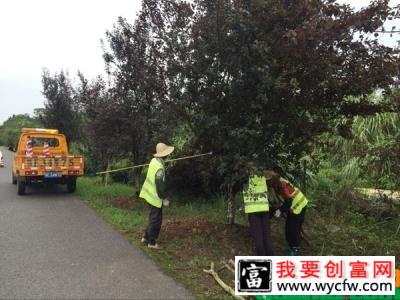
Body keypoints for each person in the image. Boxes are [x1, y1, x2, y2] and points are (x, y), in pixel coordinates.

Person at [139, 142, 174, 250]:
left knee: (152, 218)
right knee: (156, 220)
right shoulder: (159, 168)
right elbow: (160, 185)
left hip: (148, 194)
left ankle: (145, 237)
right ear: (165, 155)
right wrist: (164, 199)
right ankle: (152, 242)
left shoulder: (153, 161)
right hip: (155, 197)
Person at [266, 171, 308, 256]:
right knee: (289, 228)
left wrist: (280, 210)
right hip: (294, 206)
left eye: (268, 181)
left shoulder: (281, 185)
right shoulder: (277, 184)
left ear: (272, 180)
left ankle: (294, 250)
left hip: (299, 205)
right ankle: (292, 246)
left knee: (292, 228)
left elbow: (289, 201)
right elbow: (279, 202)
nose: (267, 183)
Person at [242, 162, 274, 256]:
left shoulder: (245, 179)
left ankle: (263, 263)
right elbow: (271, 175)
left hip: (253, 211)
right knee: (267, 238)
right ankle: (272, 260)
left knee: (259, 240)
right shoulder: (262, 176)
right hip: (264, 209)